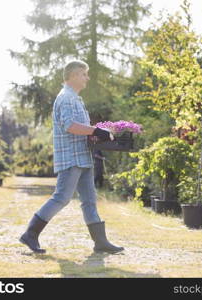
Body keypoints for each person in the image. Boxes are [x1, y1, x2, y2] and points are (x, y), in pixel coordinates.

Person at [19, 60, 124, 254]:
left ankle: (100, 242)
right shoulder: (66, 98)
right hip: (71, 158)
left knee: (89, 200)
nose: (87, 78)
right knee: (61, 198)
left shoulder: (75, 98)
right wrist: (97, 130)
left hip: (83, 157)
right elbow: (70, 125)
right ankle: (30, 234)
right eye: (84, 74)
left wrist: (97, 133)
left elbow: (80, 128)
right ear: (74, 75)